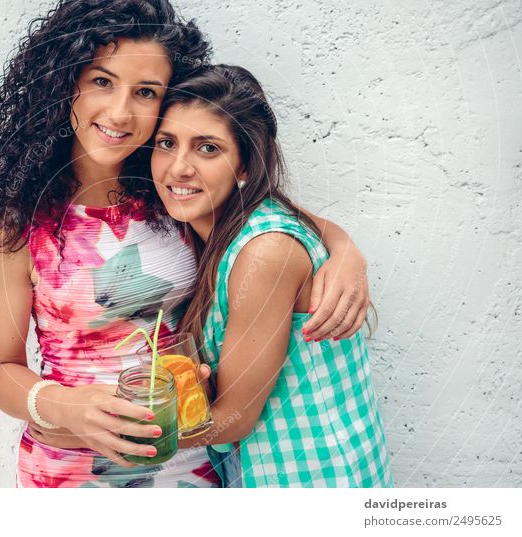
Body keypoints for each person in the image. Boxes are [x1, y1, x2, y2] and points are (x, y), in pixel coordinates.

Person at [0, 0, 374, 488]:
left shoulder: (173, 192)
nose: (120, 111)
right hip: (71, 468)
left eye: (146, 92)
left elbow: (276, 220)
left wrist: (345, 251)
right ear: (66, 86)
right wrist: (70, 408)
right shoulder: (15, 221)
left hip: (193, 460)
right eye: (102, 82)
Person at [149, 64, 394, 487]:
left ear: (245, 166)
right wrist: (344, 245)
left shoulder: (265, 251)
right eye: (167, 143)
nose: (178, 168)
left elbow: (234, 419)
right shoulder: (226, 228)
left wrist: (104, 427)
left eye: (207, 148)